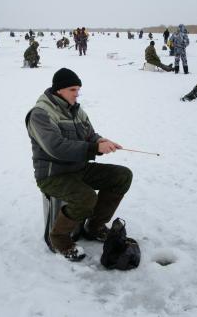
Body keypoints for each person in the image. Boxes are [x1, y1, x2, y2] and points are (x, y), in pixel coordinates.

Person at [25, 68, 133, 261]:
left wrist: (102, 141)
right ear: (59, 90)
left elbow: (90, 134)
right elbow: (55, 147)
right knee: (86, 198)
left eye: (78, 89)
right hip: (52, 175)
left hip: (78, 168)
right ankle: (58, 238)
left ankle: (94, 226)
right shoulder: (40, 114)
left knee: (122, 176)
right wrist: (94, 148)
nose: (77, 94)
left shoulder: (76, 110)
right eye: (73, 90)